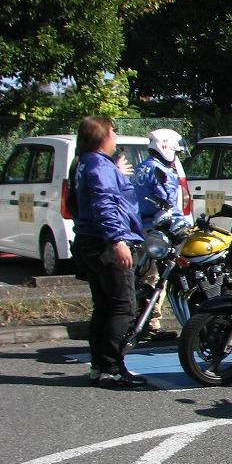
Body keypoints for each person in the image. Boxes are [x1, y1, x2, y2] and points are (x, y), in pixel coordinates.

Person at [72, 116, 147, 388]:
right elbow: (104, 204)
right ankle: (112, 368)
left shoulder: (84, 162)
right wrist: (117, 241)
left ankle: (99, 366)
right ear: (102, 135)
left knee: (104, 306)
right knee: (123, 306)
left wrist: (115, 171)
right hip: (105, 243)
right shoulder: (99, 166)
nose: (116, 137)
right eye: (114, 132)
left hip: (88, 240)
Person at [133, 128, 189, 338]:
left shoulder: (140, 169)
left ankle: (138, 318)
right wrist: (183, 227)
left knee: (142, 275)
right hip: (159, 232)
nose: (176, 157)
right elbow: (169, 206)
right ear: (166, 147)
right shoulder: (162, 172)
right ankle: (150, 324)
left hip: (140, 229)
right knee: (157, 278)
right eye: (176, 152)